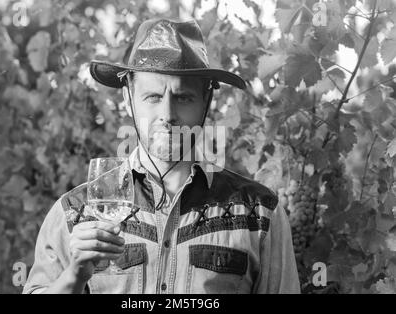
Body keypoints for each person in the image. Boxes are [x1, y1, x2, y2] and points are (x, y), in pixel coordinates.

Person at [23, 18, 300, 294]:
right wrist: (73, 276)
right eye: (153, 97)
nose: (167, 115)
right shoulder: (74, 213)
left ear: (206, 101)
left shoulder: (261, 214)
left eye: (183, 97)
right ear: (128, 99)